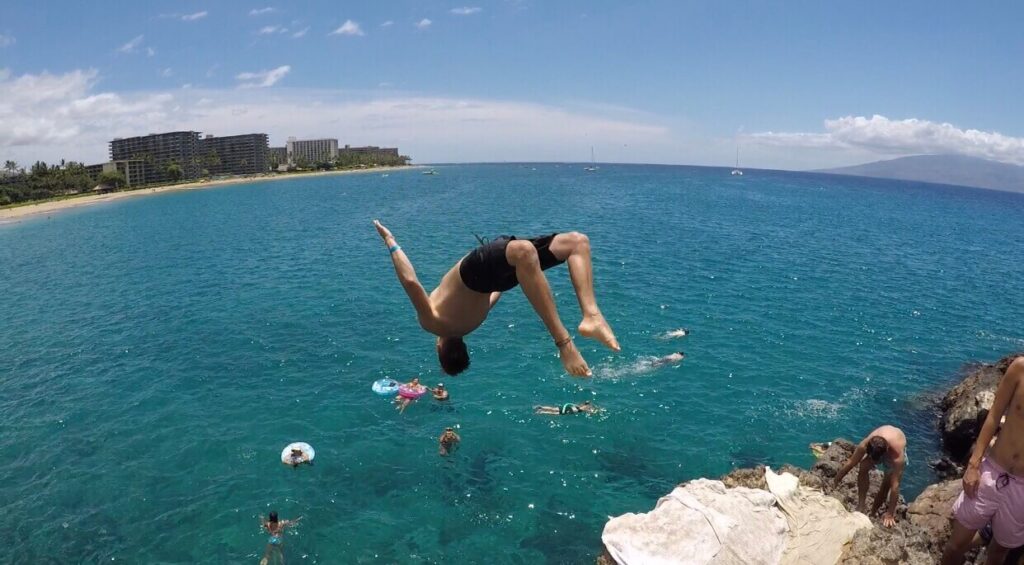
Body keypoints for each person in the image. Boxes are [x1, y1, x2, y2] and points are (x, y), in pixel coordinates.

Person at [374, 220, 620, 377]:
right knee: (573, 242)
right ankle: (567, 342)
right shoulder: (432, 324)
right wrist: (391, 241)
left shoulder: (474, 322)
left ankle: (592, 317)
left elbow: (496, 294)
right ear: (439, 347)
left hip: (498, 278)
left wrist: (521, 273)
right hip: (477, 270)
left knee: (571, 245)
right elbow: (410, 283)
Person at [941, 357, 1024, 565]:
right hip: (992, 473)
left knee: (998, 555)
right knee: (954, 547)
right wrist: (973, 465)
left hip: (1022, 490)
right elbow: (994, 416)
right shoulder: (1020, 368)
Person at [833, 425, 907, 527]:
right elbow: (851, 462)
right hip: (878, 448)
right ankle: (861, 505)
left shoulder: (897, 456)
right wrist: (835, 481)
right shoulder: (866, 443)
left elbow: (895, 486)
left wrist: (890, 513)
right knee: (863, 466)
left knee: (886, 484)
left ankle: (873, 513)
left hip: (891, 451)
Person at [534, 400, 599, 416]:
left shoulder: (581, 405)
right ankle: (541, 411)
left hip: (568, 408)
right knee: (554, 413)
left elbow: (576, 407)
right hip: (568, 411)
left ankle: (541, 407)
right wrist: (592, 411)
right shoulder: (584, 408)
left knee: (553, 409)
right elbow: (582, 410)